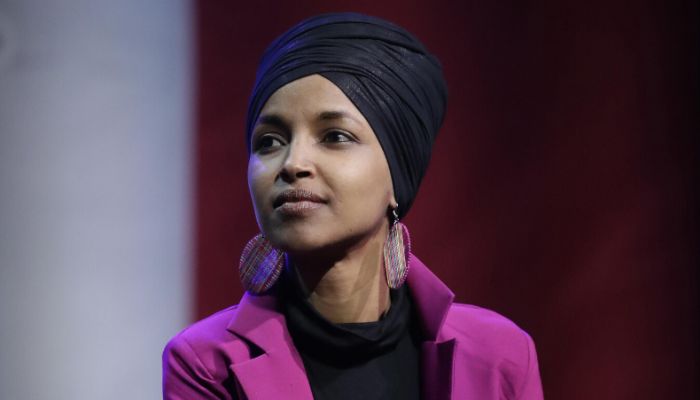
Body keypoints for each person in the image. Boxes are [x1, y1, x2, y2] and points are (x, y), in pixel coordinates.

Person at [162, 12, 543, 400]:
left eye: (335, 136)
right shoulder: (206, 365)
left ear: (397, 176)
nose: (293, 164)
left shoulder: (500, 356)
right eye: (270, 141)